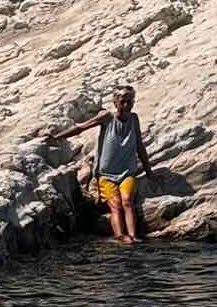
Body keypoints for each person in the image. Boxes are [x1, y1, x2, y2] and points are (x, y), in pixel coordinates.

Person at [50, 85, 156, 245]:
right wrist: (56, 137)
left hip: (127, 172)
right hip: (106, 174)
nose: (126, 105)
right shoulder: (107, 117)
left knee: (127, 201)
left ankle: (133, 236)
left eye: (130, 101)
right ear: (115, 102)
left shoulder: (134, 119)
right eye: (123, 102)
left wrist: (149, 171)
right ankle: (120, 236)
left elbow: (139, 145)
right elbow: (81, 128)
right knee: (115, 205)